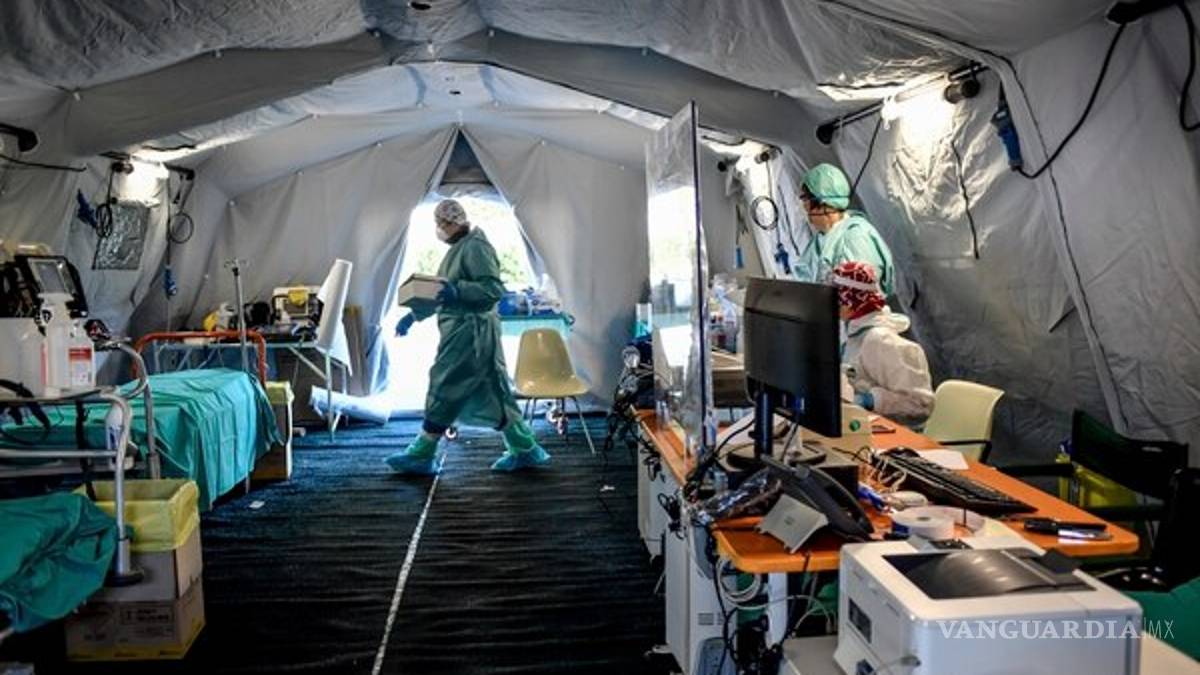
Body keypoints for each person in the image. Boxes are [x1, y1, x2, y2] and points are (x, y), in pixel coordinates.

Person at [385, 199, 550, 474]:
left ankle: (422, 452)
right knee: (493, 392)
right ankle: (524, 448)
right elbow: (441, 293)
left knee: (445, 385)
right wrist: (414, 316)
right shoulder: (460, 249)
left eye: (441, 224)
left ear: (453, 223)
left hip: (471, 334)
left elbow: (492, 290)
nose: (439, 230)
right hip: (468, 333)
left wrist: (459, 291)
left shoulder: (475, 247)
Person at [832, 260, 933, 422]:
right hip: (861, 421)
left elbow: (920, 405)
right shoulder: (852, 330)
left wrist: (870, 400)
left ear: (850, 302)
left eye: (838, 300)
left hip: (896, 428)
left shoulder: (881, 340)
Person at [793, 163, 895, 296]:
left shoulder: (855, 237)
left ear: (822, 202)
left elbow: (859, 299)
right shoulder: (821, 239)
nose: (802, 207)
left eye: (804, 199)